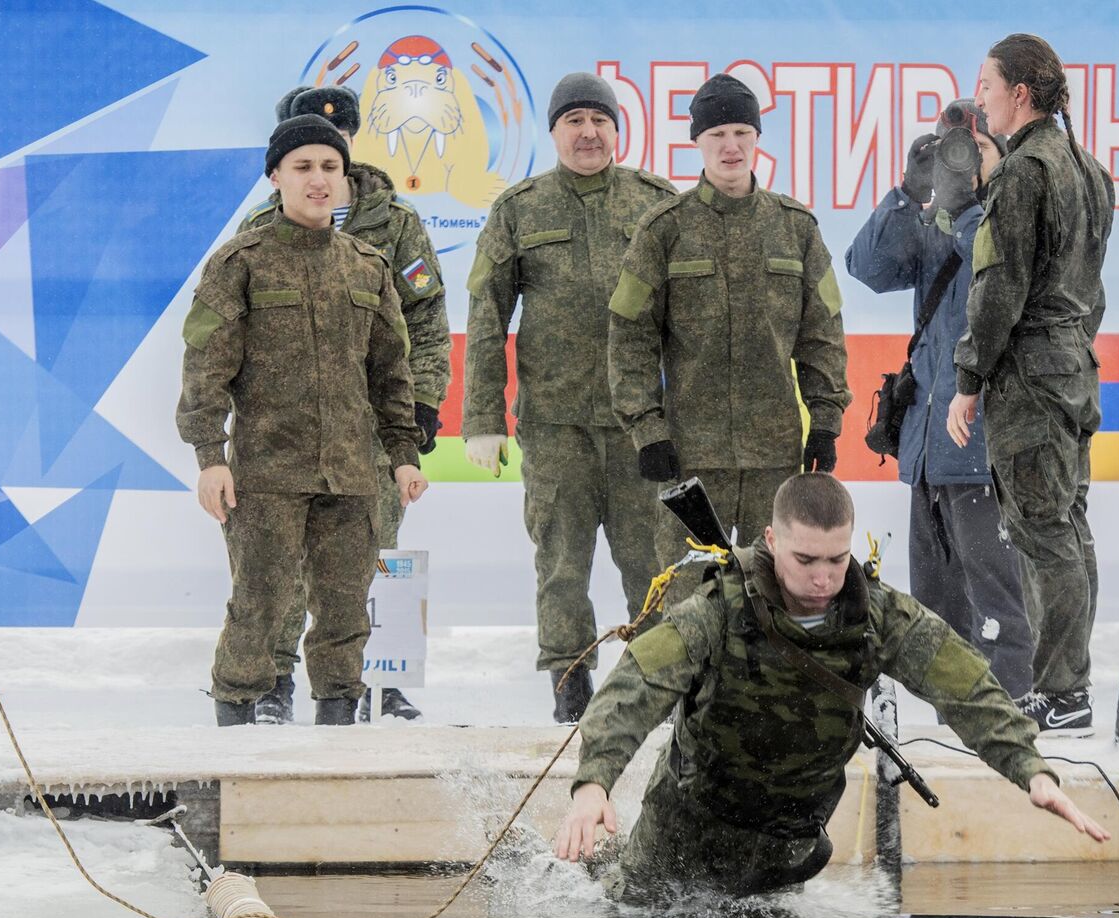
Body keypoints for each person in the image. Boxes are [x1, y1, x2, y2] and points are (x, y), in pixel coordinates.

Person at [552, 473, 1108, 904]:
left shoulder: (876, 615)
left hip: (784, 846)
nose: (823, 578)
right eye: (805, 560)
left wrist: (1030, 769)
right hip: (686, 834)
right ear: (771, 541)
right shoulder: (717, 613)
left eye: (837, 560)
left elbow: (965, 686)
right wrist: (593, 783)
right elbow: (635, 686)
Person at [177, 116, 426, 729]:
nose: (319, 180)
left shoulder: (369, 268)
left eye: (330, 168)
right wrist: (210, 457)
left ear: (344, 178)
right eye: (303, 167)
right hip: (266, 474)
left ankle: (336, 738)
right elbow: (204, 369)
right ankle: (234, 732)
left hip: (351, 475)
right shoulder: (240, 263)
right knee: (259, 610)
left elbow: (391, 373)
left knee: (345, 617)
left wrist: (402, 454)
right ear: (276, 177)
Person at [463, 72, 679, 723]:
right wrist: (482, 417)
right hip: (556, 426)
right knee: (561, 563)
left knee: (653, 563)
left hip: (639, 424)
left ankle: (655, 684)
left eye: (600, 120)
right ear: (553, 131)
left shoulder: (657, 202)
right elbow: (485, 313)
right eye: (574, 121)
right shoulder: (519, 208)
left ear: (617, 129)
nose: (588, 132)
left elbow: (691, 312)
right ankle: (570, 683)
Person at [242, 86, 451, 724]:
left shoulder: (394, 222)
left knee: (372, 553)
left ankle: (379, 686)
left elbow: (429, 318)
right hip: (289, 432)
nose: (320, 169)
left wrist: (418, 406)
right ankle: (275, 682)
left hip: (370, 432)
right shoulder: (257, 232)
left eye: (333, 144)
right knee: (281, 563)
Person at [607, 73, 851, 593]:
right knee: (689, 597)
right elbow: (630, 338)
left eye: (742, 131)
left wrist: (826, 420)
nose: (731, 146)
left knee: (779, 591)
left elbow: (822, 334)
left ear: (758, 138)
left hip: (775, 458)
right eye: (717, 134)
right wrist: (647, 430)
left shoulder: (797, 228)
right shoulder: (663, 229)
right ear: (697, 141)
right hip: (691, 459)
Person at [947, 34, 1115, 734]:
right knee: (1068, 529)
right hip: (1073, 367)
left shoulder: (1021, 174)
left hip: (1031, 377)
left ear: (1019, 93)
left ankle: (1064, 695)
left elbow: (998, 289)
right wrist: (1067, 350)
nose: (977, 96)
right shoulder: (1089, 168)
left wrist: (968, 378)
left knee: (1044, 533)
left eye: (985, 84)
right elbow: (1092, 290)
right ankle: (1065, 690)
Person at [846, 99, 1035, 707]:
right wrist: (908, 190)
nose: (961, 162)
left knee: (998, 599)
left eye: (975, 150)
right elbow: (867, 267)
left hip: (982, 449)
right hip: (928, 450)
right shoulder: (934, 225)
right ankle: (945, 712)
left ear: (1001, 158)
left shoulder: (1003, 219)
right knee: (935, 604)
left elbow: (1001, 271)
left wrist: (965, 205)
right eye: (952, 150)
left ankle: (1007, 710)